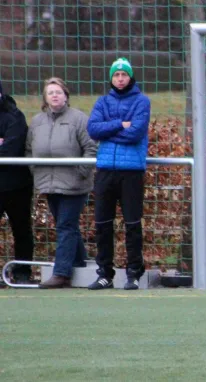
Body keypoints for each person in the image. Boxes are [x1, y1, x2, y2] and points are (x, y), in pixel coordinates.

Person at [86, 57, 151, 291]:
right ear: (111, 78)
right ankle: (105, 273)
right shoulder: (102, 102)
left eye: (124, 75)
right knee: (103, 223)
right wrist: (120, 124)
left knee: (132, 224)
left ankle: (133, 273)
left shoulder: (142, 101)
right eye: (116, 75)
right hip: (105, 171)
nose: (120, 79)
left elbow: (135, 133)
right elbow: (93, 129)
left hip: (131, 172)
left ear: (130, 77)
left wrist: (109, 129)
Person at [27, 77, 97, 288]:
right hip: (48, 183)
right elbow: (29, 150)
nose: (55, 95)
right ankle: (79, 261)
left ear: (66, 95)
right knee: (67, 225)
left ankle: (62, 272)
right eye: (50, 92)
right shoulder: (37, 122)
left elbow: (91, 148)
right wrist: (36, 172)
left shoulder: (79, 119)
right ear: (45, 98)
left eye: (58, 92)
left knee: (65, 225)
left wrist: (81, 172)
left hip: (74, 185)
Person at [0, 78, 35, 284]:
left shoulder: (15, 116)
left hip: (17, 186)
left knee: (21, 230)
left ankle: (22, 274)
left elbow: (11, 149)